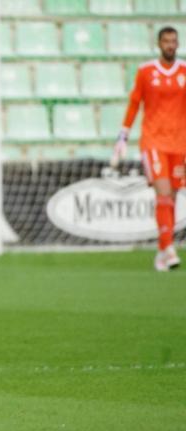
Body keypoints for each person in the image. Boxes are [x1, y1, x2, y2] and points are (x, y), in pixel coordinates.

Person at [114, 27, 186, 272]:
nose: (170, 45)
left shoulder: (185, 71)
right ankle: (168, 248)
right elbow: (135, 103)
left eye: (174, 41)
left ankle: (161, 251)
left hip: (179, 143)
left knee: (172, 198)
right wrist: (123, 135)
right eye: (166, 41)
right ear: (159, 44)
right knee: (164, 193)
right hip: (153, 141)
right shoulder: (146, 71)